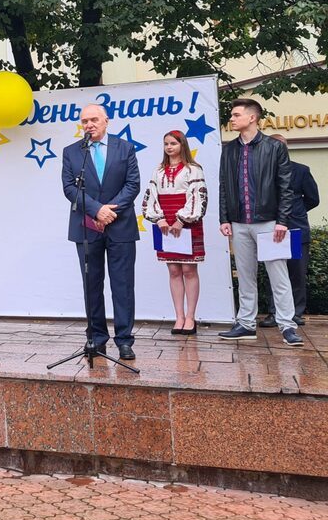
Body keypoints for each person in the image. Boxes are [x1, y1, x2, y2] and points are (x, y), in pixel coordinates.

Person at [217, 98, 301, 346]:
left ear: (252, 117)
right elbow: (224, 186)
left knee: (279, 276)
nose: (232, 119)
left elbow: (286, 187)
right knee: (245, 277)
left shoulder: (274, 147)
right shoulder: (229, 150)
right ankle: (246, 324)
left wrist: (282, 221)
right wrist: (224, 218)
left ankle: (288, 326)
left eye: (236, 115)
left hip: (269, 223)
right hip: (239, 223)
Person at [61, 103, 142, 360]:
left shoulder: (125, 148)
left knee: (122, 285)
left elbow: (132, 184)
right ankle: (96, 338)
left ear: (106, 121)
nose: (89, 125)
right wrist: (97, 210)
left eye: (94, 120)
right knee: (92, 285)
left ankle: (124, 340)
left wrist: (109, 212)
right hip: (86, 228)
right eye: (84, 121)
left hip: (121, 226)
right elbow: (69, 188)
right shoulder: (72, 152)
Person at [142, 130, 207, 335]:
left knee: (189, 270)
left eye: (173, 143)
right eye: (166, 144)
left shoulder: (193, 169)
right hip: (165, 223)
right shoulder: (158, 171)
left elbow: (198, 196)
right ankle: (178, 316)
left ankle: (190, 317)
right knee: (173, 270)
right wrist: (159, 218)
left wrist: (181, 220)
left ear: (182, 145)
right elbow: (151, 195)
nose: (169, 147)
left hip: (187, 223)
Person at [258, 135, 319, 328]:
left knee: (296, 272)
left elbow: (313, 199)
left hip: (295, 230)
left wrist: (294, 212)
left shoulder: (301, 170)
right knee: (273, 272)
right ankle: (274, 313)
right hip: (269, 229)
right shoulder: (260, 172)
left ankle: (295, 313)